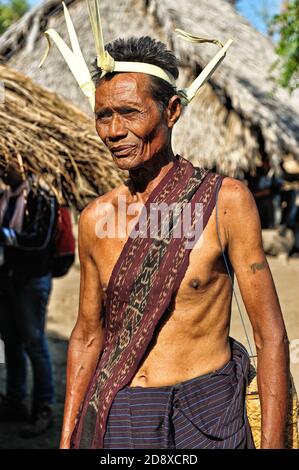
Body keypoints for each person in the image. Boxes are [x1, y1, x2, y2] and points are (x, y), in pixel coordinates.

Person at [57, 36, 290, 449]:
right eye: (103, 116)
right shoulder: (96, 220)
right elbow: (87, 337)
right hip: (124, 412)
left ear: (173, 111)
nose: (113, 131)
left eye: (130, 113)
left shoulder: (226, 202)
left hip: (206, 411)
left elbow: (270, 336)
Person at [0, 161, 58, 438]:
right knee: (11, 341)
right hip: (7, 280)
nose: (3, 170)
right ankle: (15, 401)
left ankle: (42, 408)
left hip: (31, 281)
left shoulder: (43, 198)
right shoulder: (5, 197)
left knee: (34, 343)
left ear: (23, 164)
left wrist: (6, 236)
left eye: (7, 164)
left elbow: (39, 240)